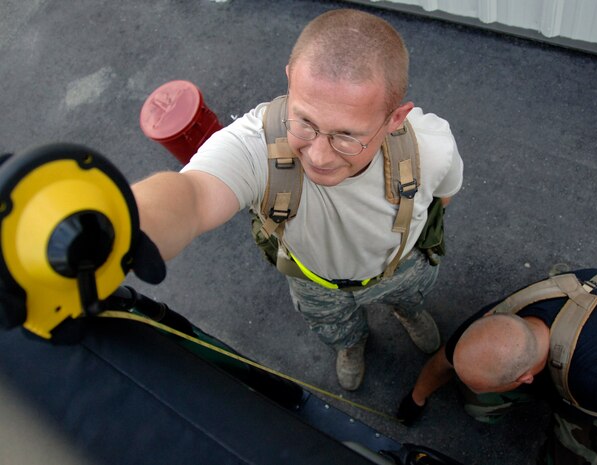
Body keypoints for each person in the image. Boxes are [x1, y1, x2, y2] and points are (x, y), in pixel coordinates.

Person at [132, 9, 463, 391]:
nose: (319, 156)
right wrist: (121, 224)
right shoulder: (255, 145)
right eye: (305, 122)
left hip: (402, 270)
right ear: (290, 79)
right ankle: (351, 344)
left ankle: (407, 311)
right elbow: (194, 195)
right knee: (335, 327)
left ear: (394, 119)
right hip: (315, 283)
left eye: (347, 136)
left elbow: (444, 196)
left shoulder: (430, 147)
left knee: (411, 297)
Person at [397, 268, 597, 465]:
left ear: (526, 378)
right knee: (476, 403)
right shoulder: (495, 323)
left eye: (487, 387)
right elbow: (445, 360)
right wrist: (416, 397)